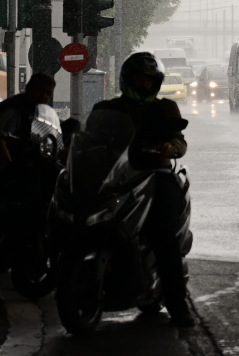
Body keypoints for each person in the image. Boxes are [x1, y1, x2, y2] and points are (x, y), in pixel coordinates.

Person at [92, 52, 194, 328]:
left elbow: (179, 140)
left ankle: (178, 307)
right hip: (115, 177)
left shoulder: (165, 109)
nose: (145, 84)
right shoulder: (107, 108)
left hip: (154, 175)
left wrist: (171, 147)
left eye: (150, 80)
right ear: (127, 79)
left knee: (163, 236)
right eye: (140, 79)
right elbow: (90, 137)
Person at [0, 72, 57, 275]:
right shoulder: (13, 109)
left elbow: (53, 138)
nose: (44, 96)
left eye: (48, 93)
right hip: (12, 167)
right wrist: (10, 169)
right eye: (40, 90)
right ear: (29, 88)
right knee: (11, 205)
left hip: (35, 167)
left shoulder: (44, 113)